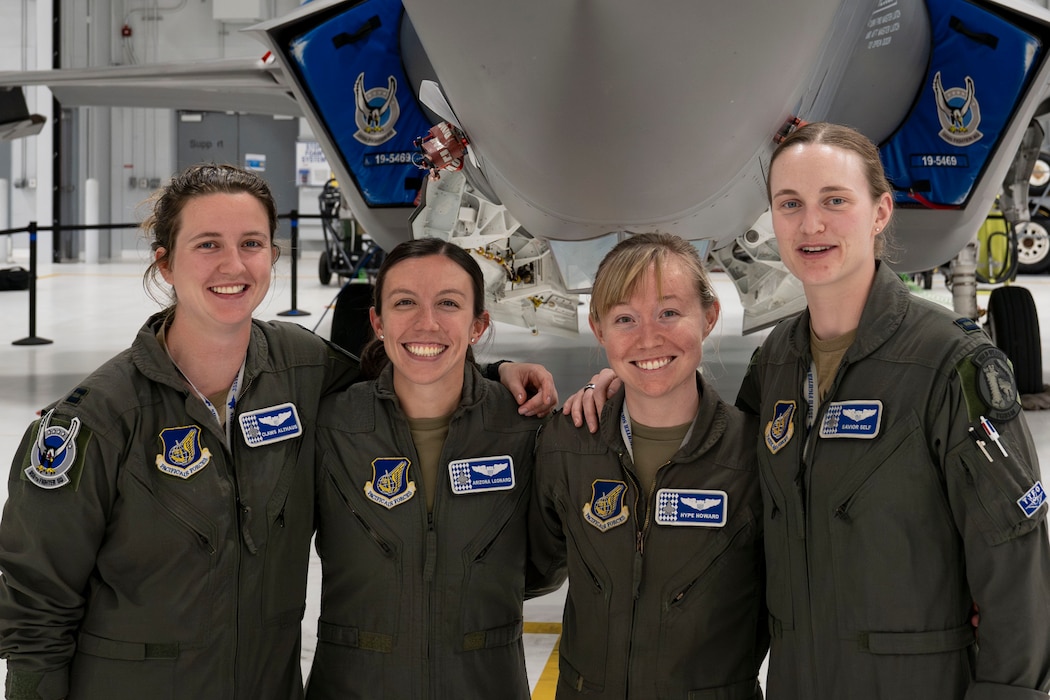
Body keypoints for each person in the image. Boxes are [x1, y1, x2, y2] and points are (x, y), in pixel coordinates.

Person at [0, 164, 557, 700]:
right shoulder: (99, 417)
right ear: (165, 264)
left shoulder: (301, 366)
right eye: (207, 244)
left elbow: (407, 370)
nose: (233, 264)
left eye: (251, 243)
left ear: (272, 255)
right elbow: (34, 602)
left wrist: (492, 376)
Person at [569, 122, 1050, 698]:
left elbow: (1014, 559)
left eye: (835, 201)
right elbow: (721, 461)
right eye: (789, 204)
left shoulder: (949, 362)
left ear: (880, 212)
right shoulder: (777, 361)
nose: (811, 224)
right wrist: (628, 378)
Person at [305, 238, 562, 700]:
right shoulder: (332, 424)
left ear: (478, 324)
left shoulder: (524, 428)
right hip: (354, 684)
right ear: (377, 321)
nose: (427, 323)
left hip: (484, 684)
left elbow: (545, 563)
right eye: (405, 303)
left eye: (448, 303)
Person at [528, 233, 767, 698]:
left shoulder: (754, 457)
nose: (648, 337)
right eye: (625, 319)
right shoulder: (567, 445)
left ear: (710, 316)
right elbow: (530, 565)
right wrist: (497, 371)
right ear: (600, 331)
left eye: (670, 313)